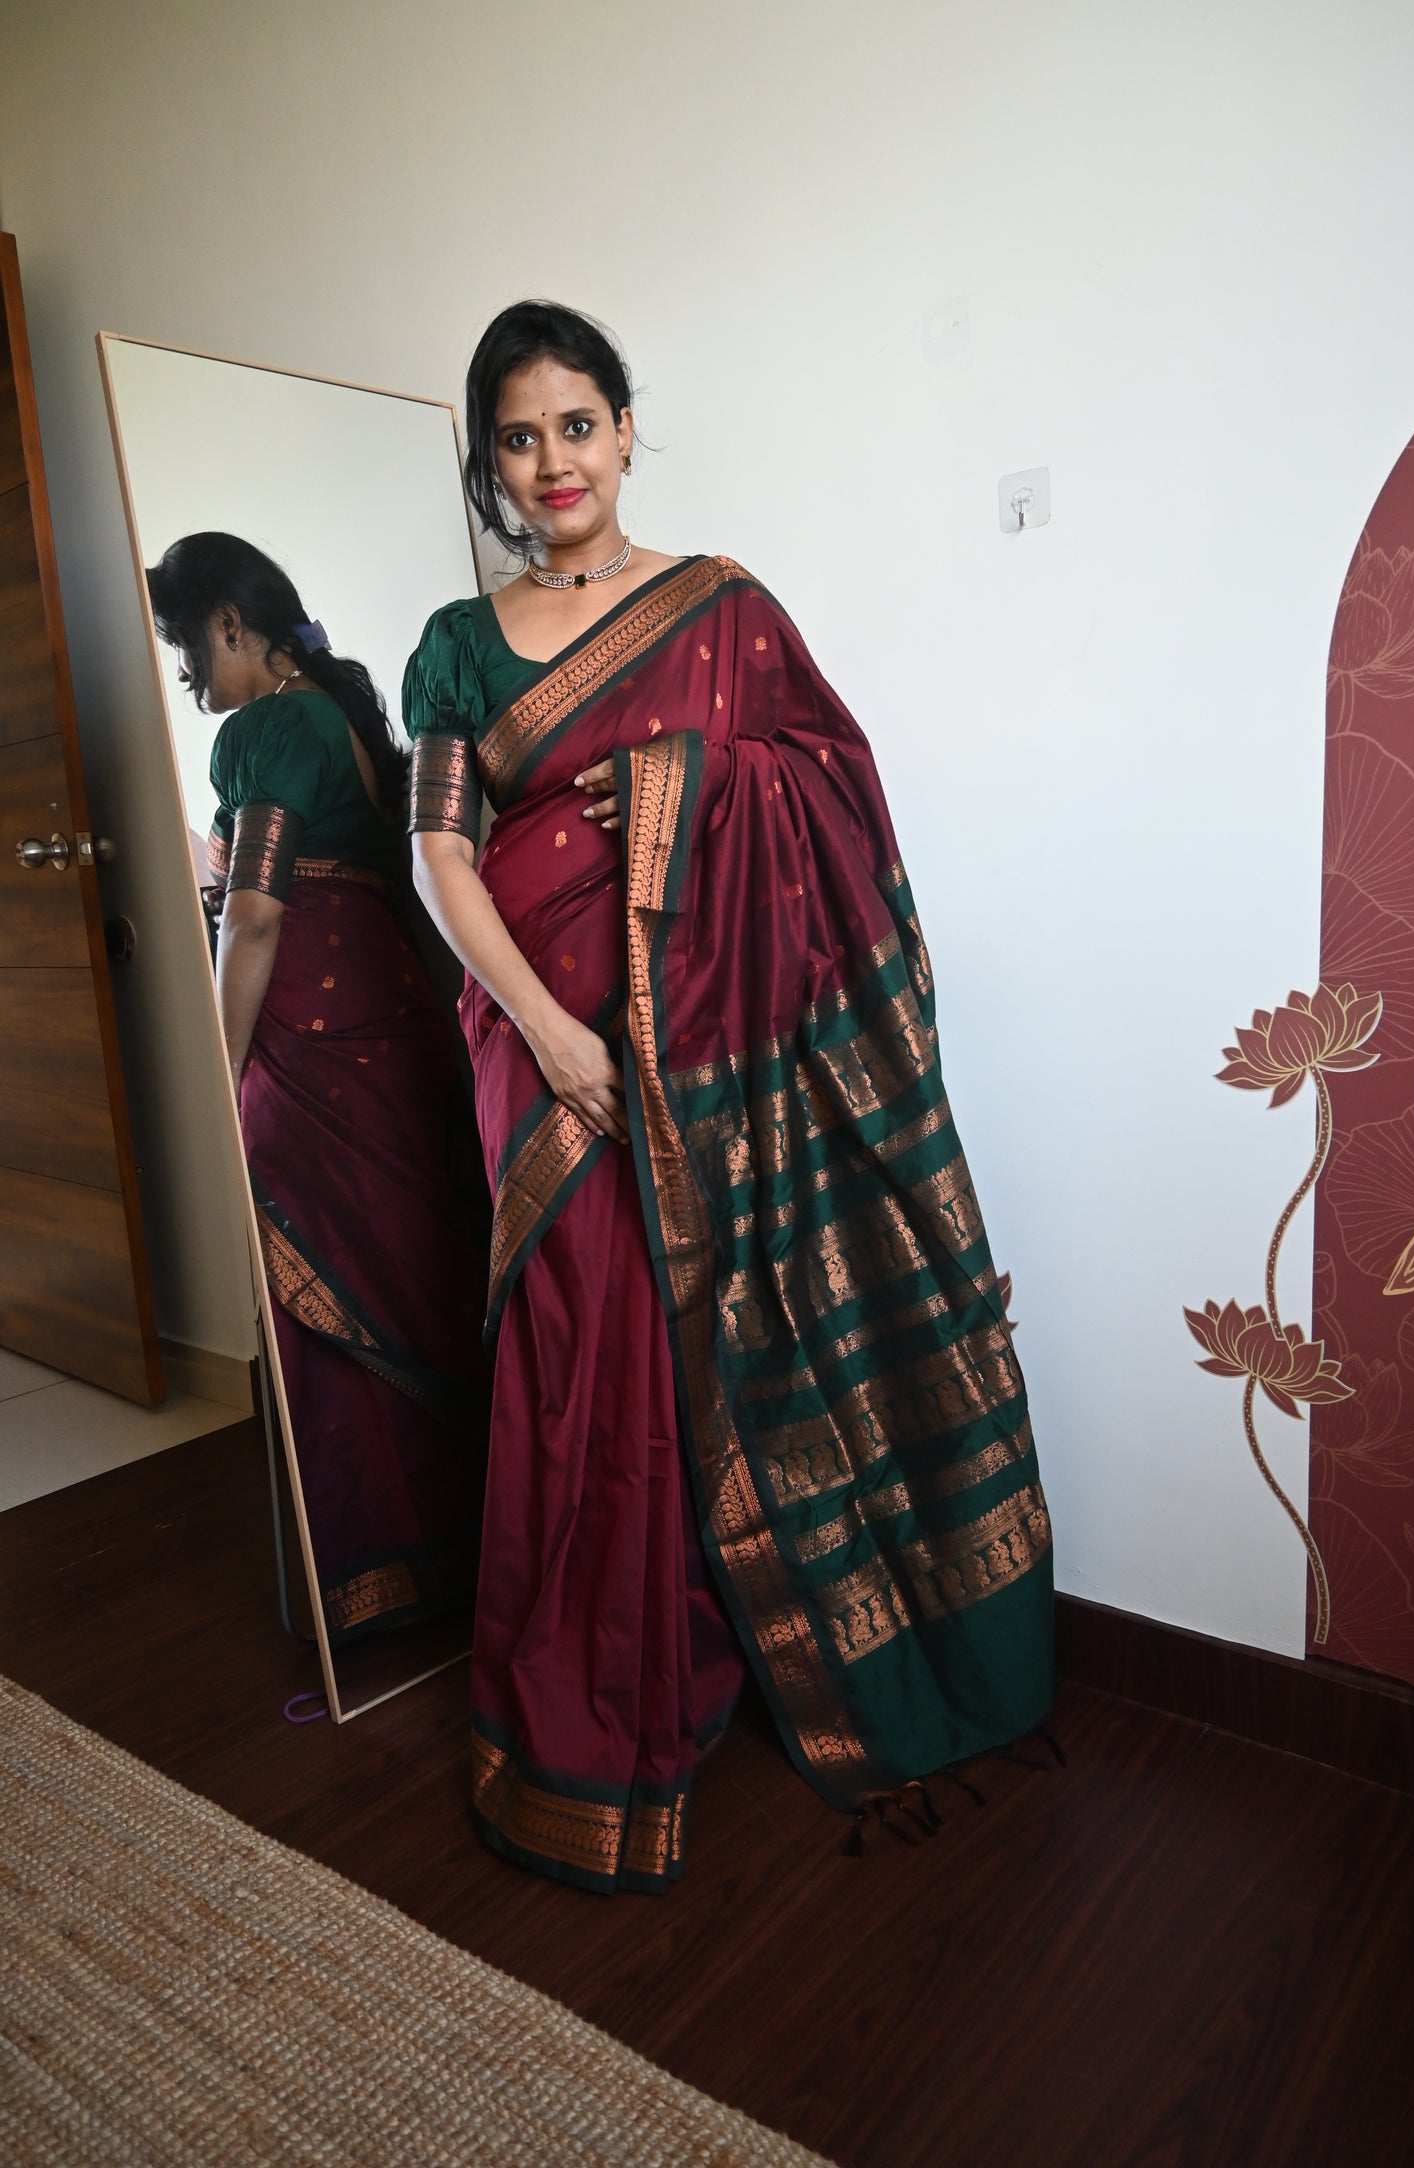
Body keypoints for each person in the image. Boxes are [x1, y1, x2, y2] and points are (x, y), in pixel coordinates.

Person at [404, 303, 1053, 1893]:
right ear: (489, 461)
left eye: (576, 424)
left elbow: (826, 782)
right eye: (517, 436)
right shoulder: (459, 640)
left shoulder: (724, 609)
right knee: (576, 1348)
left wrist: (682, 796)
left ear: (626, 432)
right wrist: (551, 1029)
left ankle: (709, 1646)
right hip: (547, 1048)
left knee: (702, 1333)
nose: (552, 461)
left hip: (712, 1063)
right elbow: (436, 853)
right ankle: (586, 1706)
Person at [149, 533, 483, 1644]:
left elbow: (254, 915)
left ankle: (372, 1579)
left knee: (318, 1284)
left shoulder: (260, 730)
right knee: (412, 1276)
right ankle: (453, 1557)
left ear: (232, 625)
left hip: (308, 1026)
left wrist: (217, 1063)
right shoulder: (353, 721)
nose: (194, 681)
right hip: (389, 1017)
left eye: (191, 653)